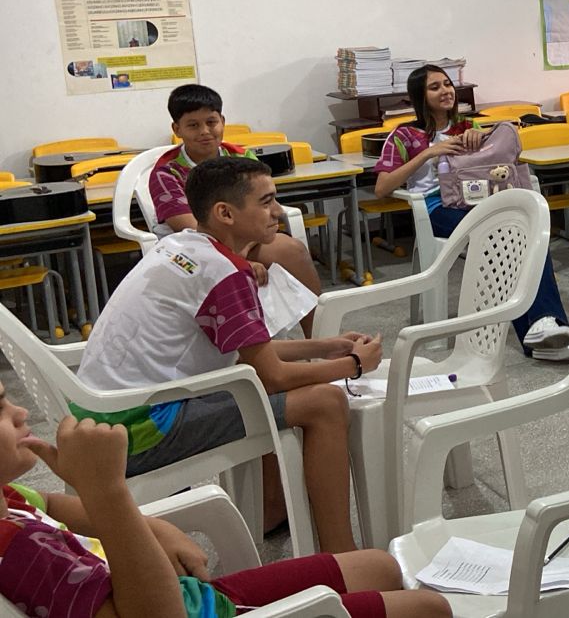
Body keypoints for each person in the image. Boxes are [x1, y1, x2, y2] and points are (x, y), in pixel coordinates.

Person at [79, 158, 382, 553]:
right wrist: (354, 365)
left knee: (291, 390)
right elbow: (271, 376)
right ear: (225, 213)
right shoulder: (224, 273)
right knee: (325, 402)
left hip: (101, 418)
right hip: (139, 431)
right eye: (267, 202)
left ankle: (284, 517)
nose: (278, 213)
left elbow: (249, 354)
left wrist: (327, 346)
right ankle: (341, 553)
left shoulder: (178, 247)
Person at [0, 385, 449, 617]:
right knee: (430, 610)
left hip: (190, 597)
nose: (20, 412)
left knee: (381, 566)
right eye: (0, 406)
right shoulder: (18, 556)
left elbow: (56, 507)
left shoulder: (9, 499)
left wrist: (156, 528)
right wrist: (109, 492)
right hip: (178, 608)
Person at [373, 65, 569, 361]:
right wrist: (429, 153)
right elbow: (382, 187)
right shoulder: (405, 135)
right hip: (438, 208)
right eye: (435, 87)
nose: (445, 91)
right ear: (420, 96)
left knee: (529, 234)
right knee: (502, 238)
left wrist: (482, 137)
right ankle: (539, 330)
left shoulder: (467, 127)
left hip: (479, 202)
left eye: (447, 84)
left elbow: (496, 163)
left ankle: (545, 326)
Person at [150, 83, 322, 335]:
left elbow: (262, 207)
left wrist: (243, 248)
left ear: (222, 121)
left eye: (211, 122)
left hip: (245, 238)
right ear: (177, 129)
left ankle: (318, 338)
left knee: (293, 250)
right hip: (194, 249)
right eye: (193, 125)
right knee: (232, 269)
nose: (205, 131)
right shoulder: (167, 172)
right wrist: (237, 259)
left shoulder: (242, 158)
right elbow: (192, 227)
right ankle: (255, 345)